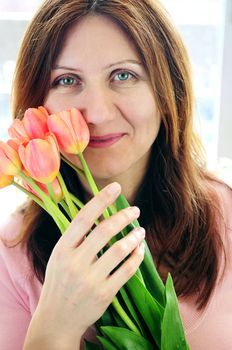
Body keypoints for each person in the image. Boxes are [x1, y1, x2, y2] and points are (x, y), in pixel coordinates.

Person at [0, 0, 231, 349]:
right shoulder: (11, 255)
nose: (97, 113)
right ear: (36, 102)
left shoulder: (226, 218)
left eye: (124, 75)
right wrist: (53, 328)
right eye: (67, 79)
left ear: (168, 89)